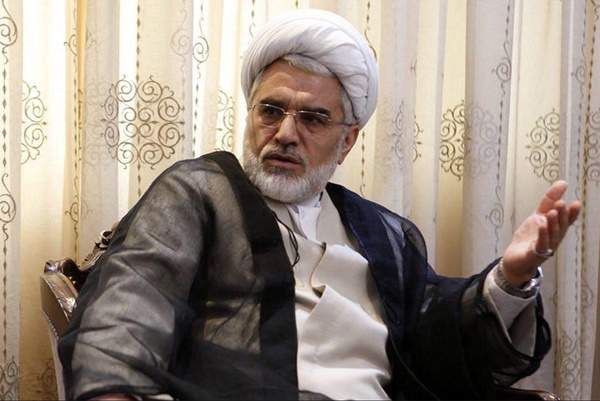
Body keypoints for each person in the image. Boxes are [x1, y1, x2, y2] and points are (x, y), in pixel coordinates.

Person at [58, 9, 581, 400]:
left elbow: (437, 334)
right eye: (271, 110)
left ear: (347, 140)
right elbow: (126, 312)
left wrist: (512, 278)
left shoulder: (382, 232)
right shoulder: (199, 192)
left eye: (312, 118)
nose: (285, 133)